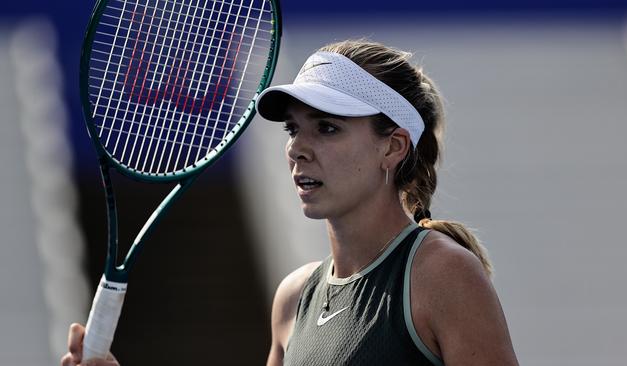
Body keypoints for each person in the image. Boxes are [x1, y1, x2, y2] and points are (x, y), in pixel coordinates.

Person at [62, 39, 519, 366]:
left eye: (327, 127)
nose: (299, 146)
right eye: (293, 128)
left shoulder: (443, 274)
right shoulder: (293, 298)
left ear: (393, 147)